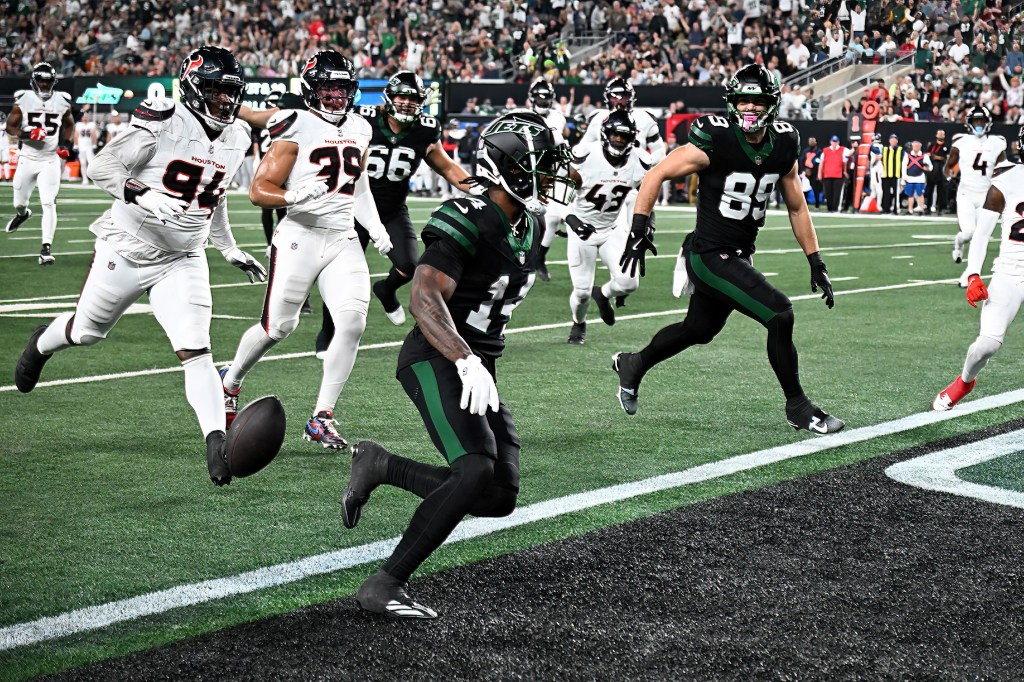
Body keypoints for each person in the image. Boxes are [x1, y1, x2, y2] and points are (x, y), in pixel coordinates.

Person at [338, 110, 577, 618]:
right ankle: (384, 584)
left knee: (497, 494)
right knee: (472, 468)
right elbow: (425, 296)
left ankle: (381, 465)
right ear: (510, 168)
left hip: (479, 366)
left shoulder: (529, 226)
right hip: (436, 353)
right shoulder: (467, 216)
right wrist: (464, 357)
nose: (555, 176)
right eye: (545, 166)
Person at [12, 46, 265, 486]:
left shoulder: (239, 137)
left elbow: (215, 195)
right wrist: (144, 195)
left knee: (196, 348)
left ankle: (215, 442)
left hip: (183, 256)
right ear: (191, 87)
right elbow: (101, 166)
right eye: (216, 92)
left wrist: (228, 248)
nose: (226, 102)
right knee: (87, 331)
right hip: (128, 245)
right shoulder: (163, 122)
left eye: (231, 94)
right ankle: (43, 343)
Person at [610, 64, 844, 435]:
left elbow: (797, 206)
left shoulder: (784, 143)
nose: (750, 108)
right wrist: (638, 228)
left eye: (758, 100)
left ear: (773, 104)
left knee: (699, 329)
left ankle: (633, 364)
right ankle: (799, 406)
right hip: (707, 254)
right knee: (779, 313)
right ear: (732, 103)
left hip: (737, 253)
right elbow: (655, 174)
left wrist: (816, 261)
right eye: (743, 100)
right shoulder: (715, 137)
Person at [219, 51, 393, 449]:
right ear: (311, 90)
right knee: (278, 327)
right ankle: (230, 382)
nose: (335, 97)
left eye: (342, 89)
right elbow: (258, 190)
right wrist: (293, 194)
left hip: (343, 237)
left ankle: (321, 417)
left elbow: (358, 185)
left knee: (352, 323)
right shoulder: (295, 123)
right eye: (328, 89)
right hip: (300, 235)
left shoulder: (362, 128)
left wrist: (377, 227)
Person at [315, 71, 476, 356]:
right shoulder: (362, 120)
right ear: (389, 98)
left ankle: (386, 290)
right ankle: (328, 331)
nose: (406, 103)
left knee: (409, 265)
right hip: (353, 209)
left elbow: (448, 167)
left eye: (413, 98)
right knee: (340, 275)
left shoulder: (425, 130)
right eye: (401, 96)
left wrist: (479, 190)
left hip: (392, 210)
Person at [932, 127, 1024, 411]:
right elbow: (982, 233)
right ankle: (965, 381)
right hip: (1012, 271)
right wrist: (973, 273)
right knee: (987, 344)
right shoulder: (1007, 180)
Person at [564, 110, 651, 344]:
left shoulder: (640, 161)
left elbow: (648, 192)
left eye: (624, 136)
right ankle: (578, 324)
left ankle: (602, 294)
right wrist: (573, 221)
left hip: (612, 228)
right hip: (582, 229)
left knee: (628, 283)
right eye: (615, 135)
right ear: (605, 134)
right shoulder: (584, 158)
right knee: (581, 293)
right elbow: (556, 196)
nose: (619, 140)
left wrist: (645, 225)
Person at [4, 62, 74, 265]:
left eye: (48, 82)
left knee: (48, 202)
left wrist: (66, 144)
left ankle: (46, 248)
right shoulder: (24, 99)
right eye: (41, 82)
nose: (44, 86)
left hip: (50, 159)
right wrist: (27, 133)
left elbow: (69, 124)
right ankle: (23, 214)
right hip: (27, 158)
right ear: (34, 81)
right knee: (19, 202)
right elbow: (10, 127)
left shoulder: (62, 101)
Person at [946, 105, 1007, 287]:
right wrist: (949, 176)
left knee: (981, 236)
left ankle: (968, 274)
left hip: (986, 195)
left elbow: (1003, 168)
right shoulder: (961, 142)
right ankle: (958, 244)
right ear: (970, 123)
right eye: (976, 121)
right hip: (966, 193)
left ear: (988, 123)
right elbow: (949, 165)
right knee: (968, 233)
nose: (979, 124)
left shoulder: (997, 142)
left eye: (982, 121)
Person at [528, 79, 569, 282]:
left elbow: (554, 139)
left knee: (552, 218)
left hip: (550, 172)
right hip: (524, 171)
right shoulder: (521, 114)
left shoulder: (557, 117)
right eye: (539, 100)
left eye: (546, 100)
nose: (543, 104)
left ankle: (539, 259)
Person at [901, 139, 932, 214]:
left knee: (920, 194)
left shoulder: (924, 156)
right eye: (915, 146)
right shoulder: (907, 155)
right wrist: (904, 176)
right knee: (910, 195)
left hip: (920, 178)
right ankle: (910, 209)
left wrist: (927, 168)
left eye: (918, 146)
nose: (916, 147)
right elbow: (904, 166)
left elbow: (930, 167)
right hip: (910, 178)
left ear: (920, 147)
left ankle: (921, 210)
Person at [818, 135, 847, 213]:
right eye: (833, 142)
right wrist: (820, 174)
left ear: (838, 142)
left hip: (838, 175)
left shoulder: (843, 150)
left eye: (836, 142)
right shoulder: (825, 151)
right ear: (830, 142)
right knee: (828, 193)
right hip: (827, 174)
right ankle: (829, 208)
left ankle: (835, 208)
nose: (834, 143)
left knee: (836, 193)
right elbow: (821, 163)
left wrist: (844, 171)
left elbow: (845, 161)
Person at [926, 129, 950, 214]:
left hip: (941, 171)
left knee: (941, 191)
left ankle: (940, 209)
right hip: (932, 171)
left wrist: (939, 158)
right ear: (936, 135)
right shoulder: (932, 145)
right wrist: (934, 157)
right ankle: (928, 208)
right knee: (929, 190)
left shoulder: (946, 146)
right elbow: (928, 155)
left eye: (942, 134)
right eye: (939, 134)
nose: (940, 136)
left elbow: (947, 158)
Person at [880, 133, 903, 215]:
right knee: (885, 192)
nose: (893, 141)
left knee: (896, 193)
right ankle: (885, 208)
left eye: (895, 140)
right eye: (892, 139)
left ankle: (896, 209)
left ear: (897, 141)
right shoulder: (884, 149)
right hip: (885, 174)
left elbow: (904, 161)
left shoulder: (900, 150)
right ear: (889, 141)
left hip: (896, 175)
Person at [74, 110, 98, 186]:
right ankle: (84, 179)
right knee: (83, 163)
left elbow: (94, 135)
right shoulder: (79, 125)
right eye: (84, 117)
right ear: (82, 118)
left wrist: (94, 144)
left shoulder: (91, 124)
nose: (85, 118)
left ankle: (94, 179)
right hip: (81, 147)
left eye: (86, 117)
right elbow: (76, 135)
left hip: (89, 147)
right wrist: (75, 145)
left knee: (91, 163)